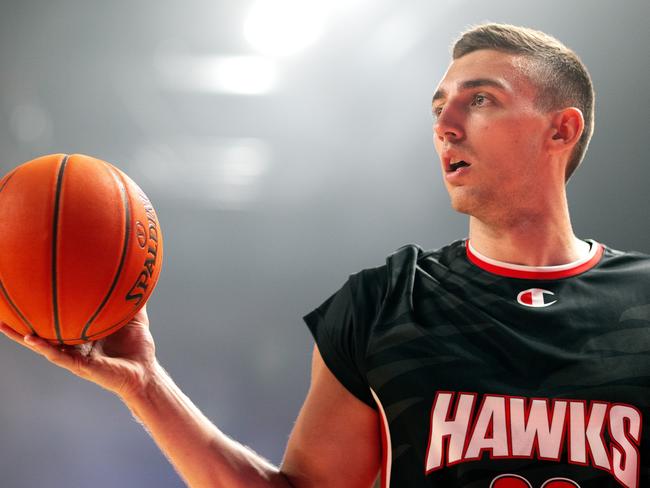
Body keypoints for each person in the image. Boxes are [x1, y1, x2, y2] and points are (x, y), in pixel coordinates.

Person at [1, 22, 648, 488]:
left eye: (480, 100)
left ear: (561, 129)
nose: (446, 124)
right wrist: (144, 385)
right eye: (439, 105)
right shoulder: (385, 302)